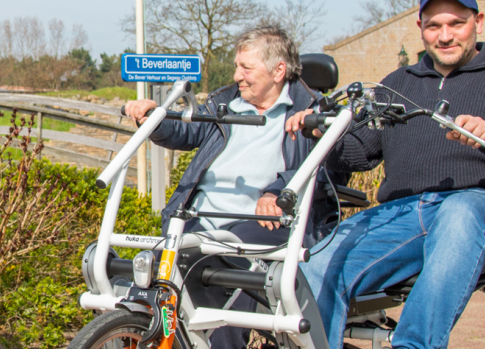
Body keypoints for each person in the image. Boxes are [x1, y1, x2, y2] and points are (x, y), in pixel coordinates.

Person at [285, 0, 485, 348]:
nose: (444, 36)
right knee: (316, 263)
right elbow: (359, 152)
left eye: (456, 24)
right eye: (433, 26)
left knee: (460, 213)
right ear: (420, 27)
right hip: (406, 215)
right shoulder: (397, 84)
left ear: (479, 22)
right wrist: (322, 135)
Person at [122, 25, 340, 349]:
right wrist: (154, 118)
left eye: (246, 68)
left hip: (259, 225)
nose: (237, 75)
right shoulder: (226, 101)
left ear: (278, 70)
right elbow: (187, 132)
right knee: (144, 281)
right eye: (237, 66)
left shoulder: (309, 111)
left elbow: (317, 165)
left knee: (230, 296)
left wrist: (277, 193)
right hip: (201, 217)